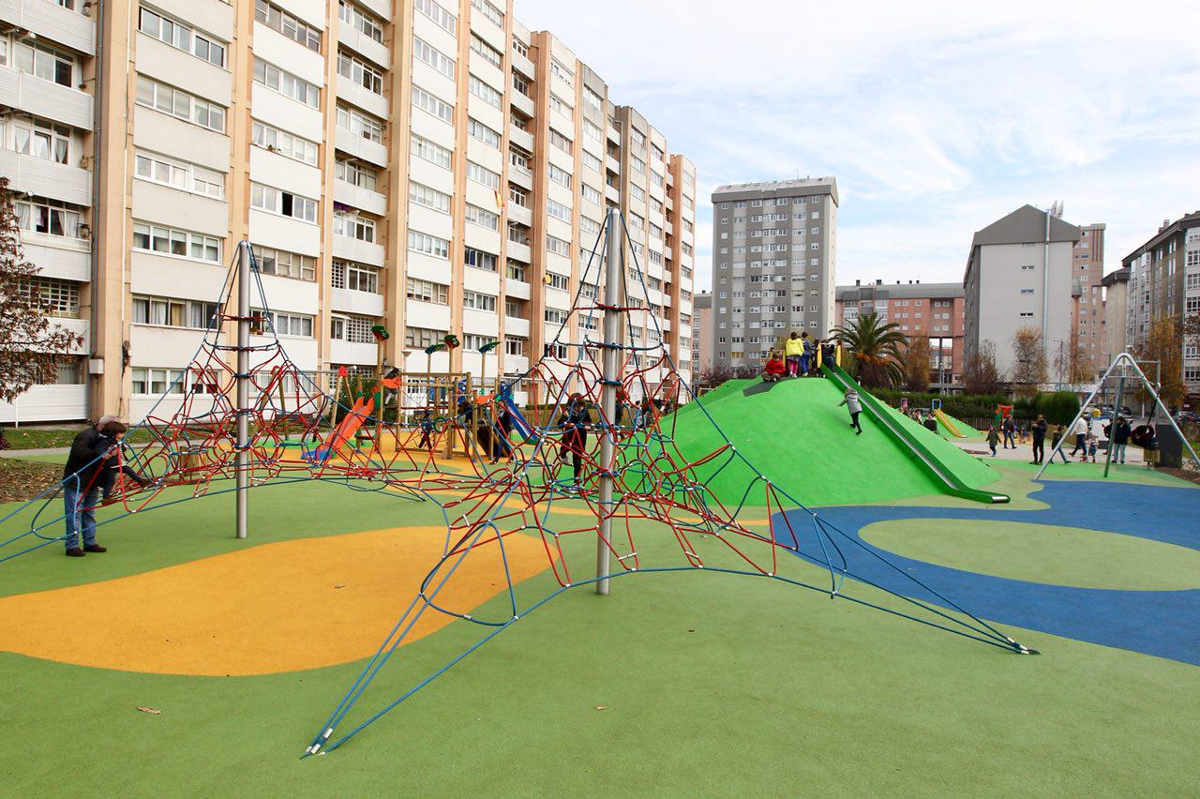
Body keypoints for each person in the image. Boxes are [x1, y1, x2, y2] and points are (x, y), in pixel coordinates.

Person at [61, 415, 119, 557]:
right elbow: (79, 452)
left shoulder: (107, 439)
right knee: (74, 514)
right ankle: (72, 545)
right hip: (77, 481)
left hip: (93, 481)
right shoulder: (85, 436)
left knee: (89, 513)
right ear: (104, 426)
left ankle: (90, 542)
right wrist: (100, 453)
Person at [94, 420, 149, 501]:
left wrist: (122, 447)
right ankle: (106, 498)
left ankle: (141, 481)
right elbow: (99, 449)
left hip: (119, 463)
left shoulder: (119, 440)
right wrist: (105, 454)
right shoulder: (106, 441)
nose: (123, 435)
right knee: (110, 481)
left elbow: (122, 448)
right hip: (111, 465)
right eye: (121, 433)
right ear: (113, 433)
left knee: (129, 470)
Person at [558, 394, 591, 487]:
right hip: (569, 436)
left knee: (577, 459)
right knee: (564, 448)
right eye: (578, 406)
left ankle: (576, 482)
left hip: (580, 437)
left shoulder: (585, 412)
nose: (580, 408)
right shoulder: (568, 412)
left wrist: (588, 426)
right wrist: (565, 419)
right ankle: (563, 456)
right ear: (572, 405)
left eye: (582, 406)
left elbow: (589, 422)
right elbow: (560, 424)